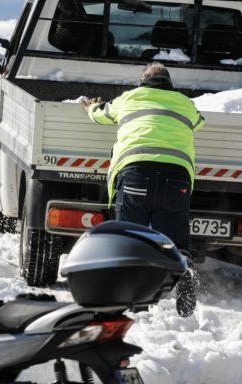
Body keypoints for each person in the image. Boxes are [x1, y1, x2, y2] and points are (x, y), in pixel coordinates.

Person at [82, 62, 205, 317]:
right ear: (170, 84)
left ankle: (134, 300)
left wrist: (92, 106)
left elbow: (100, 115)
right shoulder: (185, 103)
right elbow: (198, 122)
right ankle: (184, 266)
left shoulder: (129, 98)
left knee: (130, 239)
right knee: (174, 239)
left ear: (142, 82)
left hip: (136, 174)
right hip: (176, 180)